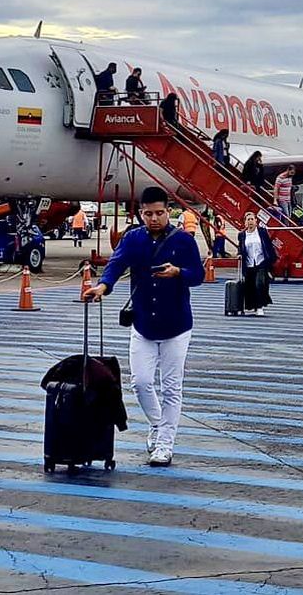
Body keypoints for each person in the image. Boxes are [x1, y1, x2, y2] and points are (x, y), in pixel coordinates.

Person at [84, 186, 204, 467]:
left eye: (160, 213)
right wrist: (102, 286)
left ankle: (165, 444)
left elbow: (197, 275)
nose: (154, 218)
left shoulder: (184, 241)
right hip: (143, 324)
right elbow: (116, 264)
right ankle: (158, 424)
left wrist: (178, 273)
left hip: (177, 325)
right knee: (140, 382)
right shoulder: (133, 238)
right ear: (140, 213)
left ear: (168, 212)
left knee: (172, 387)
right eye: (148, 214)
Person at [237, 212, 275, 316]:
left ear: (256, 221)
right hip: (249, 263)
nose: (250, 222)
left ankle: (260, 307)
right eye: (248, 220)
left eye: (252, 219)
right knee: (250, 285)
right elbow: (240, 247)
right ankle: (252, 305)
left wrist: (271, 260)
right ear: (245, 222)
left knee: (260, 283)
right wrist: (239, 254)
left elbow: (268, 246)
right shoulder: (241, 235)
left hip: (261, 262)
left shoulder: (262, 232)